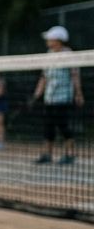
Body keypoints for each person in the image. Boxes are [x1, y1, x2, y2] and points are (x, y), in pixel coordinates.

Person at [32, 26, 84, 165]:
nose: (48, 41)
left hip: (63, 98)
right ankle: (47, 155)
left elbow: (75, 75)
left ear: (58, 40)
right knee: (48, 126)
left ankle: (70, 154)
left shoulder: (68, 55)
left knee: (63, 126)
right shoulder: (48, 54)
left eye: (50, 38)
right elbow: (44, 77)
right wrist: (37, 94)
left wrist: (78, 94)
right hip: (49, 98)